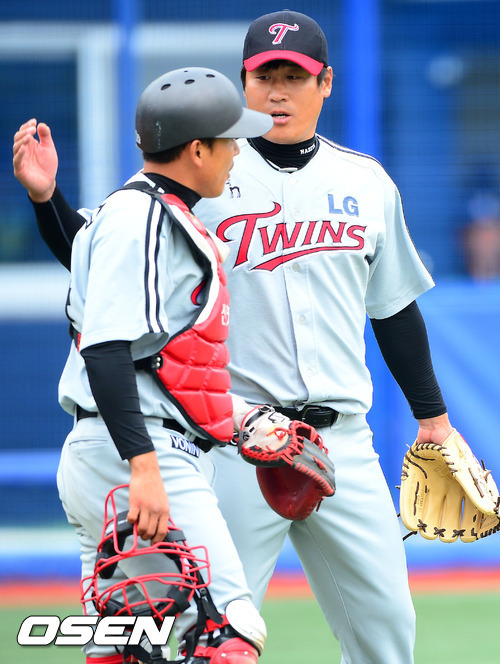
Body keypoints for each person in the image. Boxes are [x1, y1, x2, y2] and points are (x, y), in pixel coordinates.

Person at [13, 10, 458, 664]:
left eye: (293, 77)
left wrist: (434, 419)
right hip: (234, 441)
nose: (277, 92)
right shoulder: (203, 164)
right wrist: (47, 199)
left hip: (341, 441)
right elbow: (97, 253)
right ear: (242, 83)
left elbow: (393, 308)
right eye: (263, 77)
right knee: (214, 632)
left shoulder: (365, 184)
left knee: (389, 636)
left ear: (325, 83)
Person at [13, 66, 274, 664]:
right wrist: (145, 468)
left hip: (105, 452)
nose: (237, 153)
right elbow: (105, 349)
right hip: (139, 453)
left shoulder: (136, 210)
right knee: (229, 634)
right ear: (197, 149)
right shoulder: (142, 216)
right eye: (229, 140)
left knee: (130, 646)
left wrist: (47, 200)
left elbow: (93, 265)